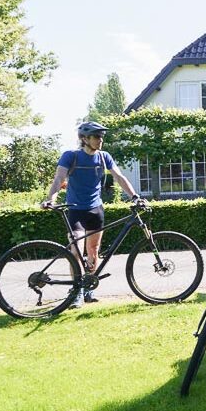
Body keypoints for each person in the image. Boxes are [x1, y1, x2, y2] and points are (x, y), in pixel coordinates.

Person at [42, 121, 144, 308]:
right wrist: (51, 199)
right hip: (76, 210)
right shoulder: (70, 156)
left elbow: (119, 177)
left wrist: (135, 196)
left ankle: (88, 288)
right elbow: (59, 179)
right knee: (76, 250)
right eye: (96, 136)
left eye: (101, 136)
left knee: (93, 251)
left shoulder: (104, 157)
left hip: (96, 209)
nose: (100, 140)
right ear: (84, 139)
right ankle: (76, 291)